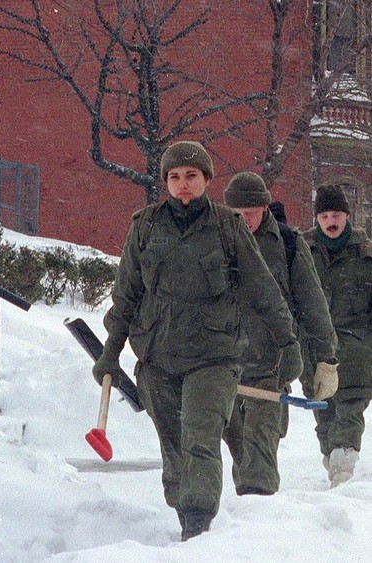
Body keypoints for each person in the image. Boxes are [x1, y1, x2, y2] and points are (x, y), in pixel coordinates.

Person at [92, 141, 303, 541]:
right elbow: (126, 297)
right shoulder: (145, 226)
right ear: (166, 183)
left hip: (214, 357)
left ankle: (198, 523)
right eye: (174, 177)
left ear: (206, 179)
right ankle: (185, 511)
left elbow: (263, 290)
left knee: (201, 439)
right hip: (158, 356)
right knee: (174, 448)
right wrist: (110, 353)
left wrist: (287, 343)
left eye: (191, 176)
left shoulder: (228, 226)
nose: (183, 184)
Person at [223, 172, 338, 496]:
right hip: (223, 363)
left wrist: (326, 359)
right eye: (237, 215)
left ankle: (258, 511)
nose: (244, 221)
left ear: (264, 207)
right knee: (240, 445)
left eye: (251, 213)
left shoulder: (287, 244)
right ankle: (246, 511)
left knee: (260, 444)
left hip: (269, 362)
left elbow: (312, 303)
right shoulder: (214, 241)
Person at [301, 184, 372, 488]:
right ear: (317, 218)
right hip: (315, 353)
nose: (331, 221)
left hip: (356, 352)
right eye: (325, 215)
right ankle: (334, 463)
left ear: (347, 216)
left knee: (349, 414)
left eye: (337, 215)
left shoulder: (366, 255)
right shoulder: (302, 253)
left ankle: (343, 472)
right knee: (324, 418)